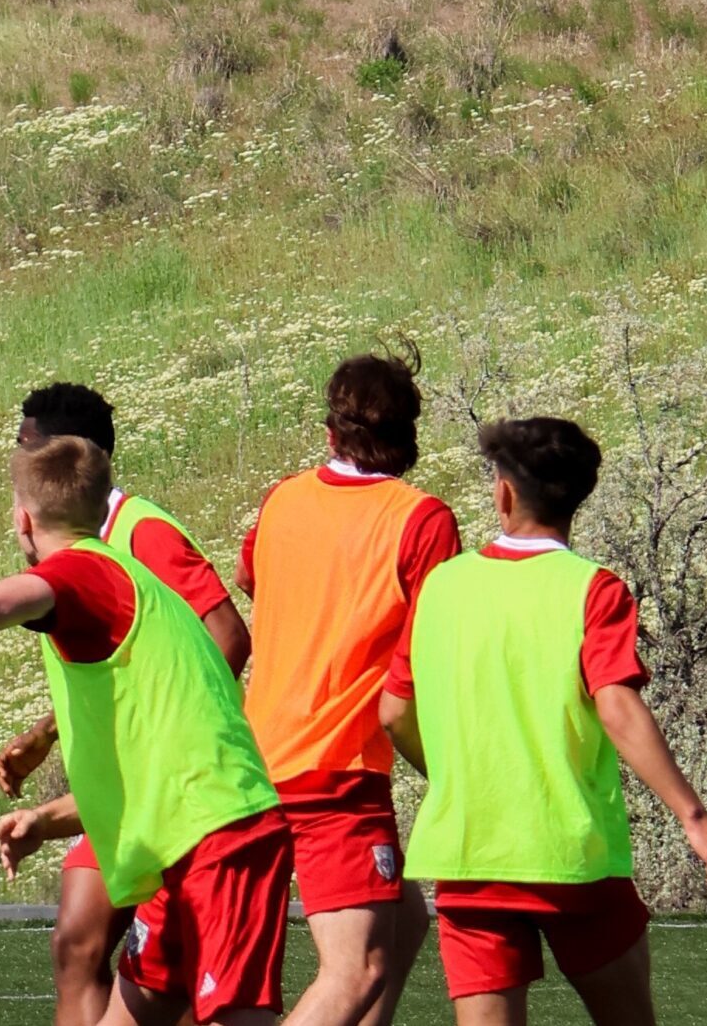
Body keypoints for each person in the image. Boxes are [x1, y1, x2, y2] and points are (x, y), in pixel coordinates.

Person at [0, 436, 292, 1026]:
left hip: (221, 839)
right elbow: (154, 764)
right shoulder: (124, 584)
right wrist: (45, 821)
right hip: (182, 842)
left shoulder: (87, 573)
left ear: (22, 518)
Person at [382, 418, 707, 1026]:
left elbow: (393, 714)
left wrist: (453, 774)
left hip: (469, 855)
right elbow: (617, 703)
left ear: (502, 492)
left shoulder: (441, 587)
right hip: (569, 854)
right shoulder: (592, 589)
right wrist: (695, 817)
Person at [0, 385, 251, 1026]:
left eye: (26, 444)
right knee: (80, 945)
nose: (16, 457)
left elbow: (226, 637)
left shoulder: (144, 531)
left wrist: (166, 736)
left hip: (170, 790)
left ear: (67, 454)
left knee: (134, 958)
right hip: (122, 790)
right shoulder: (73, 543)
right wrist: (48, 732)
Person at [238, 353, 460, 1026]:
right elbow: (436, 650)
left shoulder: (283, 498)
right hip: (336, 770)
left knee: (402, 927)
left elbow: (253, 578)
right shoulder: (421, 521)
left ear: (331, 432)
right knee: (357, 967)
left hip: (253, 757)